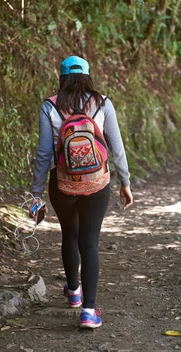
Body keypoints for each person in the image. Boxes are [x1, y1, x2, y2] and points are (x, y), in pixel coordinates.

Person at [30, 56, 133, 329]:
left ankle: (74, 293)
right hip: (97, 184)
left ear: (62, 77)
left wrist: (36, 193)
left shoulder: (49, 106)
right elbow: (117, 147)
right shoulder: (103, 103)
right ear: (88, 76)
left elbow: (43, 154)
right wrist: (125, 182)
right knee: (89, 243)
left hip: (62, 184)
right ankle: (89, 311)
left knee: (69, 234)